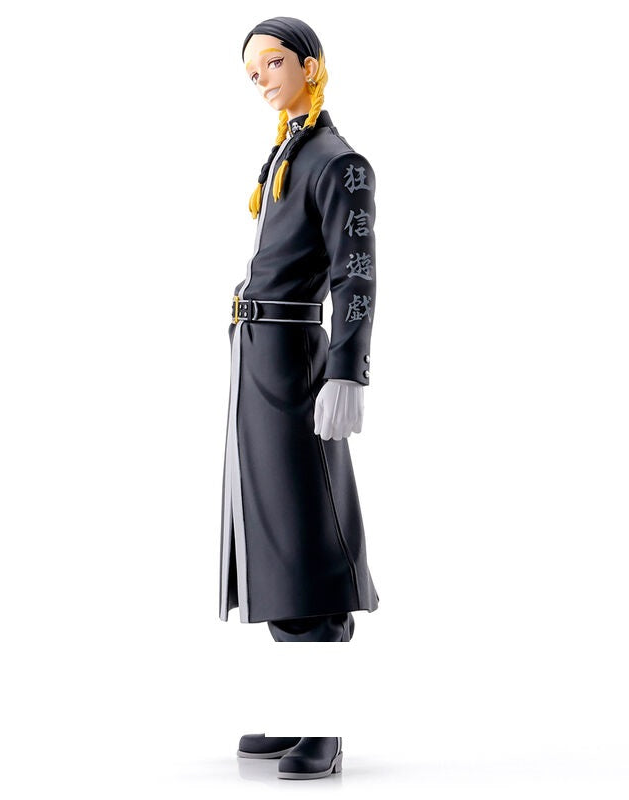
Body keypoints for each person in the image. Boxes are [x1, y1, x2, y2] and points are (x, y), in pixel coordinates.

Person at [219, 17, 379, 779]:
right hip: (258, 357)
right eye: (253, 71)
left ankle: (325, 724)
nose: (262, 79)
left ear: (310, 65)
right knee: (272, 533)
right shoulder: (287, 149)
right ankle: (295, 706)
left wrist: (347, 369)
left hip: (295, 361)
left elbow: (356, 272)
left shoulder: (338, 161)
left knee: (308, 533)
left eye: (273, 63)